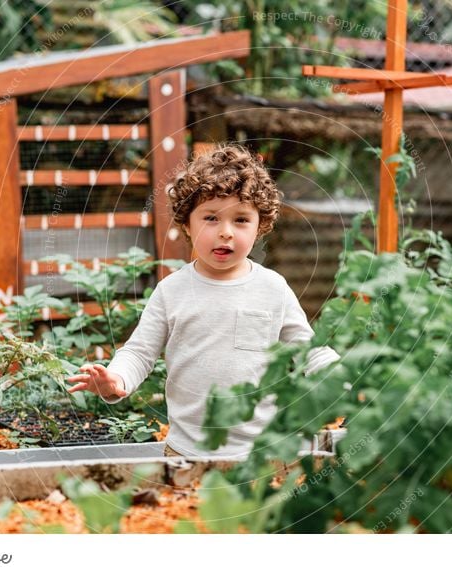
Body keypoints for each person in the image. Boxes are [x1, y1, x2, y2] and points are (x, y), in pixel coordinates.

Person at [67, 144, 340, 457]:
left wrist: (341, 376)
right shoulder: (172, 291)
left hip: (263, 455)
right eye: (211, 218)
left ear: (260, 226)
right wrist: (115, 379)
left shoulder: (272, 288)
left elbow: (309, 350)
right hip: (186, 452)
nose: (225, 232)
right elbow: (139, 352)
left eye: (241, 220)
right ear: (187, 223)